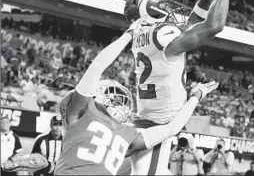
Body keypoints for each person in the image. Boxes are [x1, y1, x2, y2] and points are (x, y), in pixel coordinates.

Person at [2, 20, 218, 175]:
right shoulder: (128, 134)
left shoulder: (80, 116)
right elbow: (173, 128)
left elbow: (96, 66)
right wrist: (196, 96)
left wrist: (128, 35)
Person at [124, 0, 242, 174]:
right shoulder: (163, 36)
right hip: (158, 128)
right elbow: (213, 25)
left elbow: (192, 23)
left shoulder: (146, 36)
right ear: (153, 9)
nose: (171, 10)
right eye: (165, 6)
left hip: (152, 121)